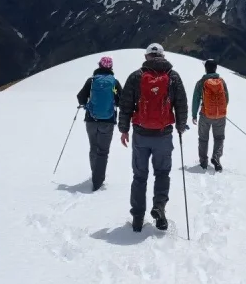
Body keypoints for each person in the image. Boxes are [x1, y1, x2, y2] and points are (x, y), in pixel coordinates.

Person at [118, 43, 189, 231]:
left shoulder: (136, 76)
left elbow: (126, 105)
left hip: (141, 134)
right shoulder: (173, 76)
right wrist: (181, 126)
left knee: (139, 176)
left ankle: (137, 218)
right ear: (163, 56)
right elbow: (181, 103)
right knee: (162, 173)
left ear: (146, 56)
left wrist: (124, 129)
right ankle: (159, 208)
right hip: (163, 134)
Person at [76, 56, 121, 191]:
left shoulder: (91, 81)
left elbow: (80, 97)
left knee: (93, 147)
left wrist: (86, 104)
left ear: (99, 66)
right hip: (107, 121)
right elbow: (121, 99)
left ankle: (95, 172)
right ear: (111, 68)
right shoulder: (114, 82)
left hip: (91, 120)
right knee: (103, 151)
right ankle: (98, 179)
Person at [191, 59, 229, 172]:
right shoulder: (222, 81)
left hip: (205, 115)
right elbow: (226, 98)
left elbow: (196, 99)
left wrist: (194, 115)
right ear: (216, 68)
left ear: (206, 68)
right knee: (219, 138)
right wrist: (220, 109)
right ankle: (216, 157)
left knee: (203, 139)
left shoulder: (201, 82)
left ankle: (203, 162)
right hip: (220, 116)